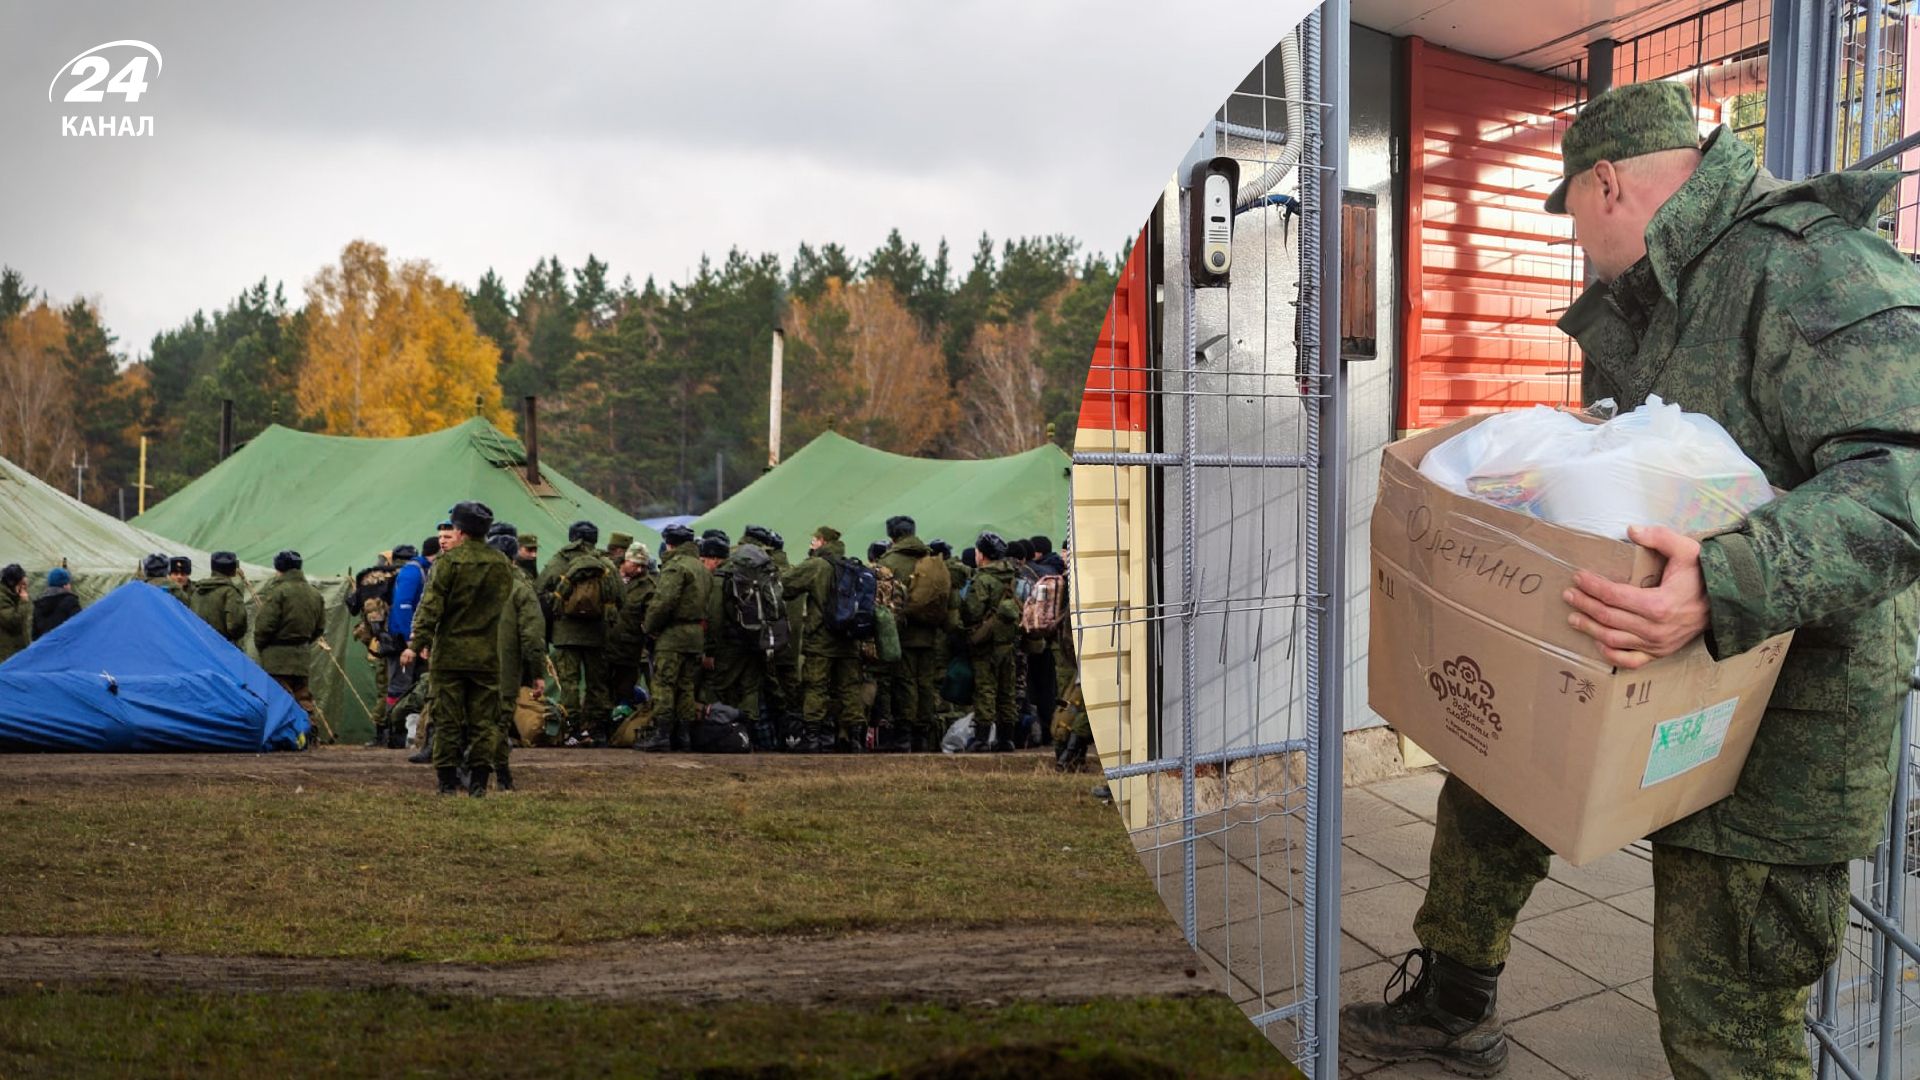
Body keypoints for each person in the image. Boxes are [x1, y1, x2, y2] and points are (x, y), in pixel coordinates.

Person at [1340, 81, 1920, 1080]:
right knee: (1492, 782)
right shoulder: (1653, 297)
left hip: (1788, 708)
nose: (1575, 242)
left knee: (1719, 1016)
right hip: (1633, 646)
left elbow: (1903, 478)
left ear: (1606, 182)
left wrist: (1722, 581)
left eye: (1571, 212)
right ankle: (1452, 1006)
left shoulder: (1810, 265)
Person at [404, 502, 514, 795]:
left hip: (449, 655)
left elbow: (431, 607)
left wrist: (417, 643)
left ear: (460, 530)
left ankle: (447, 783)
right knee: (484, 723)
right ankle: (479, 783)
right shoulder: (501, 563)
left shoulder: (448, 563)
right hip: (487, 655)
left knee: (446, 721)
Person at [537, 520, 621, 744]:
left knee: (569, 682)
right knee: (597, 683)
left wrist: (560, 606)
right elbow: (620, 596)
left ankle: (571, 729)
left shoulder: (560, 560)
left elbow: (540, 589)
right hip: (598, 633)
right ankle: (597, 729)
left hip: (566, 633)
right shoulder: (605, 563)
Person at [781, 525, 864, 752]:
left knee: (815, 687)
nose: (812, 544)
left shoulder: (817, 565)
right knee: (849, 688)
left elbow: (786, 585)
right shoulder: (852, 566)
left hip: (821, 639)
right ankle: (855, 739)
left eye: (815, 540)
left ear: (823, 542)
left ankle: (813, 739)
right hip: (849, 639)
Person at [637, 524, 711, 751]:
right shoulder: (700, 567)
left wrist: (649, 626)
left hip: (673, 636)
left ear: (669, 543)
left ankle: (662, 734)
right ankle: (683, 736)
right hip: (696, 635)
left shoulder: (675, 567)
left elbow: (663, 602)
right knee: (686, 685)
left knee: (664, 684)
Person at [487, 523, 545, 793]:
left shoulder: (469, 583)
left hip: (469, 664)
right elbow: (532, 636)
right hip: (505, 668)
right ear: (514, 557)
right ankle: (501, 775)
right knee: (499, 721)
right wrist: (537, 673)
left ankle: (461, 773)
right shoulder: (521, 588)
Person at [877, 516, 943, 752]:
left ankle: (904, 735)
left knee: (904, 682)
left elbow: (882, 600)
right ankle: (922, 736)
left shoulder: (889, 561)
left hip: (902, 633)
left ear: (892, 536)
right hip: (930, 632)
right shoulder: (931, 559)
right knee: (925, 683)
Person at [254, 550, 328, 743]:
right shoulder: (314, 594)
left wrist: (262, 646)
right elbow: (320, 627)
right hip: (302, 654)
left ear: (279, 568)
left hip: (276, 655)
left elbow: (264, 626)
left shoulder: (278, 592)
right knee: (303, 697)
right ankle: (310, 732)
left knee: (280, 697)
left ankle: (284, 737)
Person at [959, 531, 1019, 752]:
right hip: (1008, 642)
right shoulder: (1011, 576)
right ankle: (1006, 738)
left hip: (987, 643)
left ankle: (982, 737)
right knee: (1007, 690)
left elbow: (973, 611)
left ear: (982, 555)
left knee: (985, 689)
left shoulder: (982, 579)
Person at [608, 546, 655, 712]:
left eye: (643, 566)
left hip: (629, 651)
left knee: (624, 693)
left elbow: (651, 616)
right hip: (604, 646)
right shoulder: (608, 574)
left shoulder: (647, 586)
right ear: (626, 560)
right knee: (600, 691)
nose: (640, 569)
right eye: (636, 565)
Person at [188, 551, 250, 646]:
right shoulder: (230, 592)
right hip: (222, 647)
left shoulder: (197, 590)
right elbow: (236, 626)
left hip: (199, 645)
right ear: (233, 571)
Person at [32, 567, 83, 639]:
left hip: (47, 645)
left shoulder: (39, 605)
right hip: (65, 644)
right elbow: (80, 625)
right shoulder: (70, 602)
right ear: (65, 586)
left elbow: (34, 636)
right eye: (69, 583)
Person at [0, 564, 30, 662]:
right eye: (22, 584)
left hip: (17, 651)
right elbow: (13, 621)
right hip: (7, 654)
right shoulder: (2, 598)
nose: (24, 588)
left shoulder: (14, 595)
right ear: (12, 583)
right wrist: (23, 602)